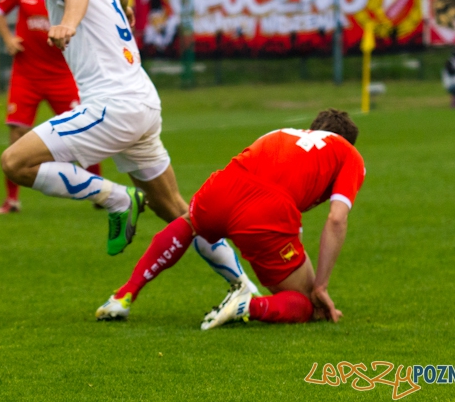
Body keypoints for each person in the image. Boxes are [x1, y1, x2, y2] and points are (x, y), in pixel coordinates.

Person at [0, 0, 261, 297]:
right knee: (177, 211)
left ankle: (119, 199)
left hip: (112, 107)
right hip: (143, 103)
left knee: (14, 163)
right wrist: (124, 6)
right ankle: (245, 288)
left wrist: (68, 24)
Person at [96, 109, 365, 329]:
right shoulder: (348, 154)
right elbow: (337, 219)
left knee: (189, 223)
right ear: (347, 141)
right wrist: (320, 285)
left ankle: (124, 295)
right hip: (267, 209)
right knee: (308, 304)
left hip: (226, 183)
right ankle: (248, 305)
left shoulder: (282, 132)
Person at [0, 0, 101, 214]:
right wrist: (8, 39)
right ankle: (12, 200)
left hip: (62, 74)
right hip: (26, 74)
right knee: (16, 132)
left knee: (85, 132)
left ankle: (99, 193)